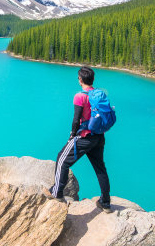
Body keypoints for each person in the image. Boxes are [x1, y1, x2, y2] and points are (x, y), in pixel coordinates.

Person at [44, 66, 112, 213]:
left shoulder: (80, 96)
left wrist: (72, 136)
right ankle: (105, 203)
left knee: (62, 159)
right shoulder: (99, 94)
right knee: (100, 168)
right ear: (92, 79)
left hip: (84, 137)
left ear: (80, 79)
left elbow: (76, 120)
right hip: (99, 137)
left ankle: (57, 192)